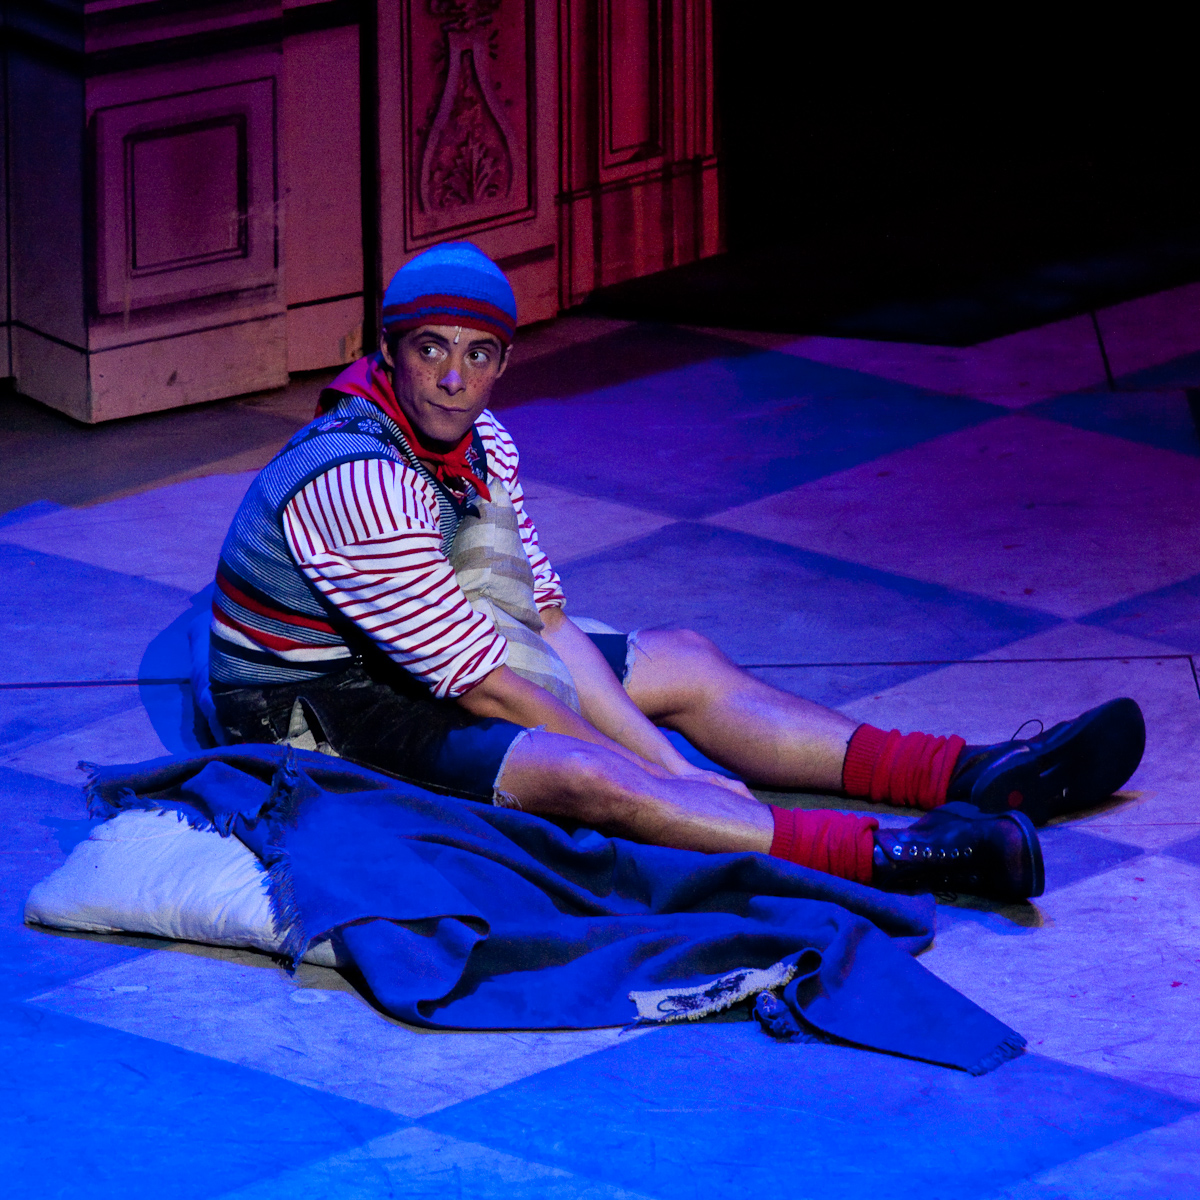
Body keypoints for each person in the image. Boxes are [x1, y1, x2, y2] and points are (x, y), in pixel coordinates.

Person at [207, 242, 1145, 902]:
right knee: (587, 774)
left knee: (684, 659)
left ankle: (970, 773)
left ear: (502, 364)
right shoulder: (357, 479)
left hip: (427, 655)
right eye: (430, 350)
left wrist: (666, 758)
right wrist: (656, 773)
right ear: (388, 351)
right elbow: (485, 684)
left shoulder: (483, 442)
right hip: (314, 709)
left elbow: (543, 624)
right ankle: (900, 856)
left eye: (477, 354)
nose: (454, 378)